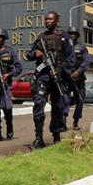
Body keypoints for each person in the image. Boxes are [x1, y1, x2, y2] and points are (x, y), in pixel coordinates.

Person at [26, 11, 74, 148]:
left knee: (58, 107)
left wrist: (60, 70)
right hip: (43, 76)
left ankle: (56, 136)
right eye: (46, 19)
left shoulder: (64, 37)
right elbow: (29, 54)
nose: (47, 21)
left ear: (57, 21)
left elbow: (71, 59)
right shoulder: (41, 37)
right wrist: (35, 53)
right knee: (38, 105)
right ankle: (38, 138)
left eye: (50, 19)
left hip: (58, 78)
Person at [64, 27, 89, 130]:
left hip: (79, 79)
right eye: (70, 34)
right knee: (65, 100)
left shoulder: (82, 48)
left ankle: (76, 122)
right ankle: (63, 121)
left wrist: (78, 72)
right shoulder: (64, 47)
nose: (72, 35)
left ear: (77, 35)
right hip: (67, 78)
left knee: (80, 99)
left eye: (74, 34)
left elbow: (86, 62)